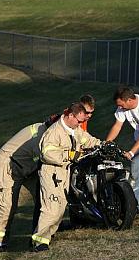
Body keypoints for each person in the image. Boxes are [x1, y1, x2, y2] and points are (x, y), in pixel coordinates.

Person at [31, 102, 101, 252]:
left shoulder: (74, 129)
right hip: (51, 172)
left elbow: (87, 140)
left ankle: (47, 236)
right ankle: (39, 241)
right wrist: (68, 155)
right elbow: (47, 153)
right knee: (51, 208)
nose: (81, 124)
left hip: (63, 172)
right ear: (70, 115)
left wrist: (101, 145)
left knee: (60, 208)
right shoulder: (54, 132)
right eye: (79, 121)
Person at [0, 117, 57, 252]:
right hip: (9, 166)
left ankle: (40, 231)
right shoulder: (41, 137)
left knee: (42, 197)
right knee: (8, 205)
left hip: (27, 165)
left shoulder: (46, 132)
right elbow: (46, 157)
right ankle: (0, 241)